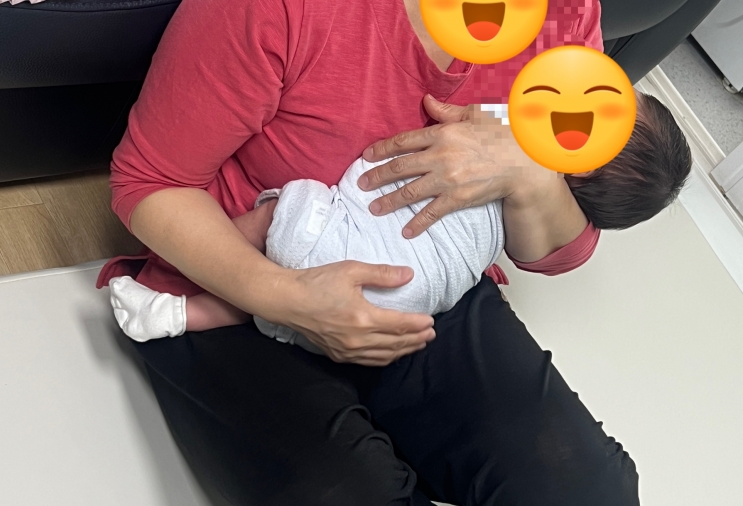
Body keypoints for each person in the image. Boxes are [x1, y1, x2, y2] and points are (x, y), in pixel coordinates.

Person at [95, 0, 644, 504]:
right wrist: (284, 297)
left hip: (423, 281)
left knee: (592, 490)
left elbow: (559, 250)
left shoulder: (564, 16)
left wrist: (529, 176)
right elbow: (149, 181)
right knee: (348, 491)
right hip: (237, 272)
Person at [106, 93, 690, 348]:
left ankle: (186, 297)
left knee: (277, 217)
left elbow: (568, 251)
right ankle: (199, 313)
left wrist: (530, 174)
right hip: (412, 305)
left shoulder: (529, 120)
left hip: (361, 254)